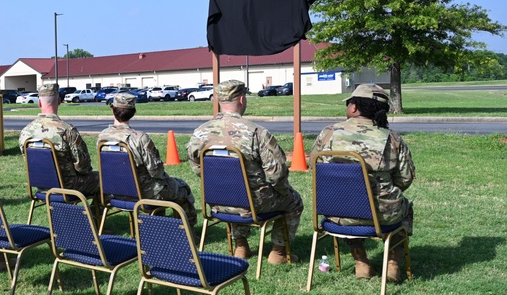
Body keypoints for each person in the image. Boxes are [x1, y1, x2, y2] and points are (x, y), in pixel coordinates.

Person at [186, 80, 303, 263]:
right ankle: (278, 252)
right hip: (254, 204)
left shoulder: (200, 133)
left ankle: (241, 246)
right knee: (294, 201)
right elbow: (277, 173)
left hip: (218, 202)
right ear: (241, 100)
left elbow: (197, 168)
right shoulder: (256, 132)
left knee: (232, 190)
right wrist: (282, 191)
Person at [310, 84, 415, 282]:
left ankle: (361, 262)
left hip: (337, 214)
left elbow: (316, 168)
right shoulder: (393, 138)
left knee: (348, 201)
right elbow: (404, 179)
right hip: (382, 215)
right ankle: (393, 263)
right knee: (405, 207)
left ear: (354, 108)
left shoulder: (328, 134)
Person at [98, 92, 197, 227]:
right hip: (143, 193)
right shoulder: (139, 138)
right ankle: (188, 234)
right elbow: (156, 171)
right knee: (182, 188)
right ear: (133, 111)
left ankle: (157, 228)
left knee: (161, 187)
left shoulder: (102, 137)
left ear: (112, 110)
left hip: (114, 192)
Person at [18, 82, 100, 201]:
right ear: (59, 101)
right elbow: (82, 166)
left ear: (39, 103)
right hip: (68, 186)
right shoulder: (67, 130)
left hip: (41, 185)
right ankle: (93, 217)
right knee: (103, 180)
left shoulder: (25, 132)